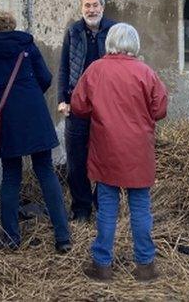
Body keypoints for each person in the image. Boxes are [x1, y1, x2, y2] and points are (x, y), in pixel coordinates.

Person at [70, 23, 169, 283]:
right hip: (138, 150)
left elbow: (78, 106)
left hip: (106, 148)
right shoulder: (146, 72)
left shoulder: (96, 70)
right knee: (140, 207)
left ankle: (102, 265)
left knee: (107, 207)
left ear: (110, 42)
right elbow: (159, 110)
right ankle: (145, 265)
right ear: (134, 43)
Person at [0, 11, 71, 253]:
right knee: (45, 172)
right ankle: (63, 238)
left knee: (11, 176)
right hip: (35, 113)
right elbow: (46, 78)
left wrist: (1, 102)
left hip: (9, 118)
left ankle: (11, 238)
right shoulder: (27, 45)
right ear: (12, 26)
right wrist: (30, 95)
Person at [58, 0, 116, 221]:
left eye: (95, 6)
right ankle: (81, 208)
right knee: (76, 158)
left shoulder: (113, 30)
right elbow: (64, 67)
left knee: (105, 156)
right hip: (77, 104)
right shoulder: (73, 31)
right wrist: (62, 99)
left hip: (106, 105)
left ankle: (102, 205)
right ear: (81, 9)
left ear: (102, 7)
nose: (91, 10)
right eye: (87, 6)